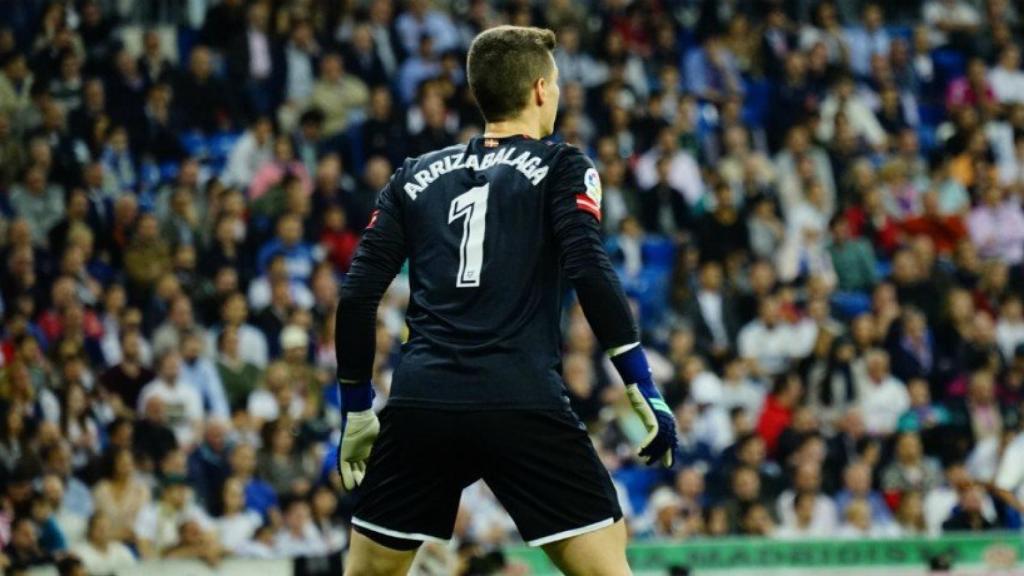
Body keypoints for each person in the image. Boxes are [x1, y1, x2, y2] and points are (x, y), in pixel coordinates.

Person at [334, 26, 678, 575]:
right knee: (607, 563)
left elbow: (356, 296)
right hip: (520, 395)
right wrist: (639, 380)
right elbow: (589, 267)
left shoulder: (412, 176)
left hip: (425, 399)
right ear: (541, 89)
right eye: (558, 83)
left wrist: (355, 408)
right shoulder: (564, 165)